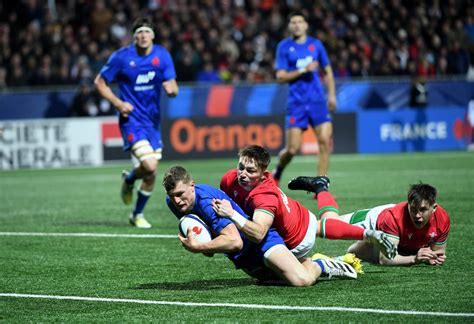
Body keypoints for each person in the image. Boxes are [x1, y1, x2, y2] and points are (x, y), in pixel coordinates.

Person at [162, 165, 360, 287]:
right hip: (242, 253)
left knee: (302, 281)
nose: (177, 201)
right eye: (172, 196)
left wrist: (199, 247)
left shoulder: (207, 202)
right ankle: (300, 263)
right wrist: (205, 243)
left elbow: (234, 242)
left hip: (260, 241)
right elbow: (215, 245)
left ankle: (322, 263)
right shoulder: (173, 203)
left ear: (192, 185)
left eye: (181, 194)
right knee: (268, 280)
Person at [216, 145, 396, 264]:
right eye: (241, 167)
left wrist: (232, 214)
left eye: (250, 170)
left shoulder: (265, 196)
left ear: (264, 175)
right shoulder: (230, 178)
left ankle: (327, 264)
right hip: (297, 215)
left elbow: (258, 233)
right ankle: (321, 187)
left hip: (298, 241)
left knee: (278, 272)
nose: (242, 174)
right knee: (326, 221)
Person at [95, 17, 178, 228]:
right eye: (139, 32)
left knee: (150, 172)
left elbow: (172, 84)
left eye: (146, 32)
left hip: (152, 122)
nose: (143, 36)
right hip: (131, 120)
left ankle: (136, 212)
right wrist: (117, 103)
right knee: (150, 165)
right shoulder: (122, 57)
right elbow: (100, 82)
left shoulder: (162, 55)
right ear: (134, 37)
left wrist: (172, 91)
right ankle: (131, 180)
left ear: (153, 35)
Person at [288, 177, 450, 266]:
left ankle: (361, 248)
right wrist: (415, 259)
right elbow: (386, 259)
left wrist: (431, 257)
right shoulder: (393, 218)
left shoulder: (442, 219)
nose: (417, 216)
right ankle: (320, 186)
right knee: (328, 223)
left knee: (354, 253)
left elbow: (438, 252)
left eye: (423, 210)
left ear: (434, 208)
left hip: (396, 238)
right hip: (374, 219)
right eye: (413, 210)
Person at [272, 11, 337, 188]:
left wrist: (331, 95)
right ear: (289, 26)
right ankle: (278, 170)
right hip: (297, 103)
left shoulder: (316, 45)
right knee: (292, 149)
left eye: (300, 21)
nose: (297, 25)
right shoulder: (284, 47)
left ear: (306, 25)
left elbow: (328, 72)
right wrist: (303, 70)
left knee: (324, 141)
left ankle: (320, 185)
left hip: (317, 102)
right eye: (293, 22)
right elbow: (280, 76)